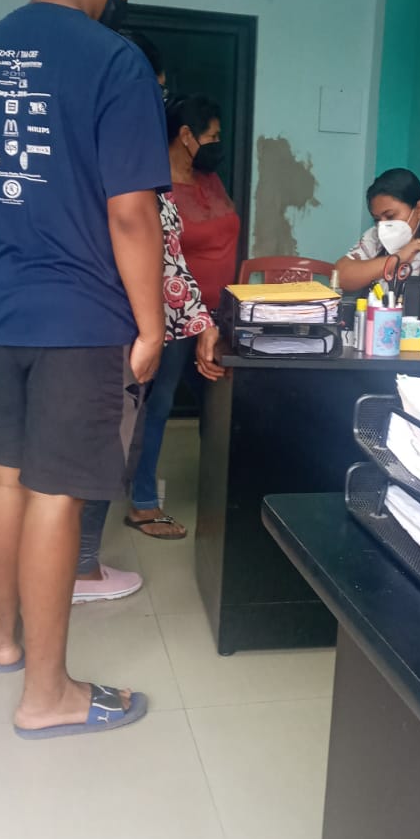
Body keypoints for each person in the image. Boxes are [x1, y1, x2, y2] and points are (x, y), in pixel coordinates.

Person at [0, 0, 170, 738]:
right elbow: (131, 214)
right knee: (57, 493)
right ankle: (48, 696)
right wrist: (150, 326)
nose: (122, 0)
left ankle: (4, 637)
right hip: (80, 317)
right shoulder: (115, 63)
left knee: (6, 473)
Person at [73, 40, 223, 600]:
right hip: (124, 328)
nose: (156, 102)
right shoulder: (131, 169)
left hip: (78, 323)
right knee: (108, 439)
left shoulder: (79, 153)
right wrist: (177, 325)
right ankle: (80, 568)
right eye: (154, 89)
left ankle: (70, 564)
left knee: (75, 445)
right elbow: (164, 262)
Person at [122, 92, 240, 538]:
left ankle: (223, 490)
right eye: (212, 135)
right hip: (175, 315)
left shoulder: (211, 178)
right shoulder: (155, 186)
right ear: (186, 136)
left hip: (219, 315)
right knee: (159, 404)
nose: (218, 144)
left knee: (221, 402)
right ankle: (142, 502)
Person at [335, 167, 420, 323]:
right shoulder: (375, 237)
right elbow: (340, 276)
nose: (382, 226)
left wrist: (381, 319)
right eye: (377, 219)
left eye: (390, 216)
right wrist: (397, 259)